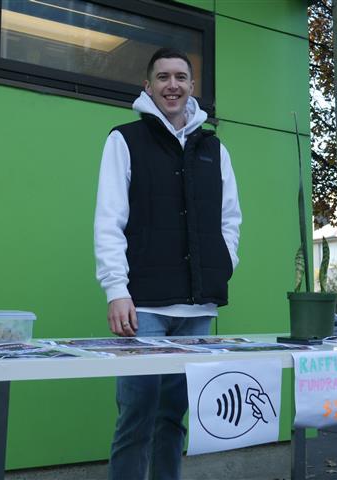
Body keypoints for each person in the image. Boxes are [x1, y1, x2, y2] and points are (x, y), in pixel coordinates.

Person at [94, 47, 241, 480]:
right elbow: (109, 220)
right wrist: (116, 290)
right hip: (144, 310)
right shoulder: (124, 140)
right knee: (136, 417)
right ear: (148, 86)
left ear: (192, 87)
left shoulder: (214, 148)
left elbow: (229, 219)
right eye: (162, 77)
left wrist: (221, 265)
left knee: (173, 417)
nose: (172, 85)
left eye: (180, 77)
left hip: (197, 310)